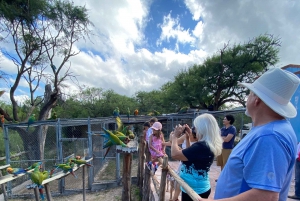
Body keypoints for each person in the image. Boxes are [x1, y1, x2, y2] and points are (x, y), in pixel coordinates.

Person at [209, 68, 300, 201]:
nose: (248, 98)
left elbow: (266, 196)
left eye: (250, 93)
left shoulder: (269, 136)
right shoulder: (273, 130)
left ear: (256, 99)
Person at [171, 113, 223, 200]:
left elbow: (175, 154)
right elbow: (188, 157)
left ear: (202, 128)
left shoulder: (201, 146)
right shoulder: (206, 145)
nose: (194, 129)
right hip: (194, 187)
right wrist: (188, 138)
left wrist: (175, 137)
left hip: (194, 190)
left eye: (195, 127)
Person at [163, 127, 198, 201]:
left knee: (183, 181)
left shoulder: (199, 141)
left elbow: (189, 153)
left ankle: (175, 197)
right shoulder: (185, 136)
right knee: (179, 180)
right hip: (183, 162)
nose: (188, 132)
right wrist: (172, 136)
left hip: (192, 164)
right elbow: (173, 142)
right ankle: (175, 197)